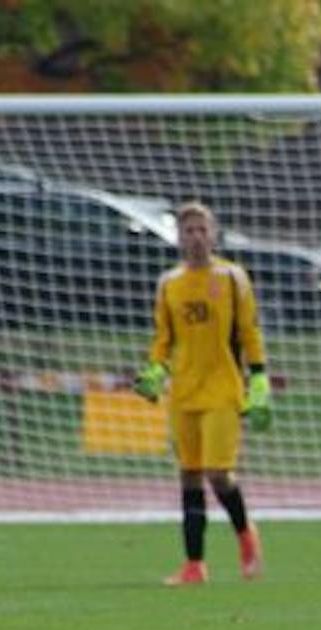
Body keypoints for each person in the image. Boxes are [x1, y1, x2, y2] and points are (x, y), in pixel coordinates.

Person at [133, 201, 271, 586]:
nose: (195, 237)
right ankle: (194, 565)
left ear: (213, 234)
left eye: (201, 230)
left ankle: (246, 536)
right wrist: (154, 372)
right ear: (178, 238)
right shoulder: (170, 284)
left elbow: (249, 331)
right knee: (189, 476)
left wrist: (258, 377)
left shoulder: (231, 278)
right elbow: (163, 339)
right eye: (188, 231)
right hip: (184, 394)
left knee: (218, 473)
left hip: (224, 391)